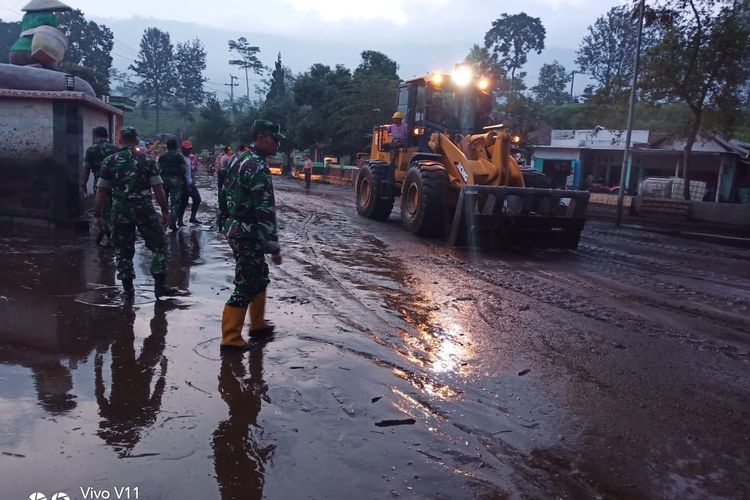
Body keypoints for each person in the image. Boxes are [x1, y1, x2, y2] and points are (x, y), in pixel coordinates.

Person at [218, 120, 285, 352]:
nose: (277, 144)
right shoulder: (257, 167)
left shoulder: (238, 159)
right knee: (246, 284)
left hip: (236, 230)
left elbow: (223, 191)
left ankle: (257, 325)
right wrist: (273, 247)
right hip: (248, 234)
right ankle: (231, 339)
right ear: (262, 137)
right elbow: (264, 211)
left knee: (259, 276)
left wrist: (224, 219)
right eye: (275, 139)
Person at [94, 126, 180, 298]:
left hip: (120, 211)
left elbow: (101, 192)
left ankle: (128, 290)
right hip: (144, 210)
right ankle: (159, 286)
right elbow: (158, 188)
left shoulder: (109, 161)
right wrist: (165, 211)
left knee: (123, 250)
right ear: (136, 139)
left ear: (119, 140)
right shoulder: (147, 160)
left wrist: (97, 215)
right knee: (159, 245)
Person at [82, 126, 119, 245]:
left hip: (100, 183)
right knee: (114, 208)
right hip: (115, 183)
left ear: (95, 135)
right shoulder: (115, 149)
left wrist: (83, 184)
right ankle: (111, 234)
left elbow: (86, 169)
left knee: (103, 210)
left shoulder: (91, 150)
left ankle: (109, 237)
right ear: (107, 136)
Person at [157, 138, 188, 231]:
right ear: (176, 146)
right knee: (175, 202)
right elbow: (183, 169)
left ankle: (164, 220)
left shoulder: (162, 156)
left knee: (164, 201)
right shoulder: (179, 156)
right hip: (176, 180)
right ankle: (172, 222)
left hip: (163, 180)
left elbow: (158, 169)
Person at [178, 140, 202, 225]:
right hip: (184, 184)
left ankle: (192, 217)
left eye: (190, 149)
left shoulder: (188, 158)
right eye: (187, 149)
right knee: (183, 203)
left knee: (197, 199)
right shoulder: (180, 158)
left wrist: (192, 181)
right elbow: (182, 173)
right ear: (182, 149)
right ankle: (180, 221)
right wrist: (187, 186)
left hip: (190, 182)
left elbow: (189, 172)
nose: (189, 150)